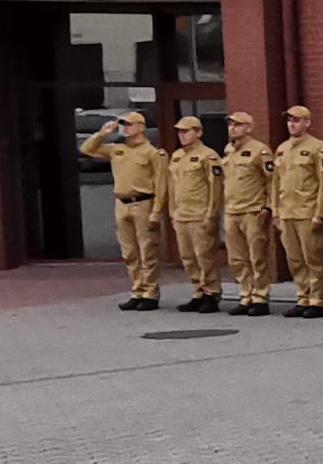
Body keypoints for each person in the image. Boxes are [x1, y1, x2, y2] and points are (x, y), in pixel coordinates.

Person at [80, 112, 168, 311]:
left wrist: (156, 210)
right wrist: (102, 133)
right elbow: (86, 149)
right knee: (129, 252)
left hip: (143, 202)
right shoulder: (116, 149)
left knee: (147, 250)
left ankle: (150, 293)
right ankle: (137, 290)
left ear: (141, 127)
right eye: (123, 124)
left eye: (129, 124)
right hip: (122, 203)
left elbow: (161, 184)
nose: (124, 128)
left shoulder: (152, 153)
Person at [273, 105, 323, 319]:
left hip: (308, 212)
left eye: (296, 120)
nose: (291, 124)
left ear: (307, 122)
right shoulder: (281, 149)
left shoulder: (318, 148)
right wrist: (275, 211)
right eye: (289, 120)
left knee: (313, 258)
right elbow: (275, 183)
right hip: (287, 213)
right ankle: (302, 296)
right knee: (294, 258)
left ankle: (318, 299)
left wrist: (320, 212)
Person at [163, 116, 225, 313]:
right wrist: (172, 212)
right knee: (187, 257)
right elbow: (172, 187)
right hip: (182, 215)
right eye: (180, 131)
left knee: (204, 255)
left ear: (198, 132)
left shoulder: (209, 156)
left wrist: (212, 214)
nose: (182, 135)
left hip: (200, 215)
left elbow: (216, 188)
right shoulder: (177, 156)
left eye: (186, 131)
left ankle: (211, 292)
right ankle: (198, 290)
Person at [222, 112, 276, 316]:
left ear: (248, 128)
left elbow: (271, 180)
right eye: (230, 125)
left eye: (237, 125)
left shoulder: (259, 151)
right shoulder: (228, 150)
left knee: (257, 256)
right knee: (237, 257)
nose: (232, 128)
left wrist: (268, 207)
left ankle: (260, 297)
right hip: (232, 210)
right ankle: (246, 295)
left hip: (253, 210)